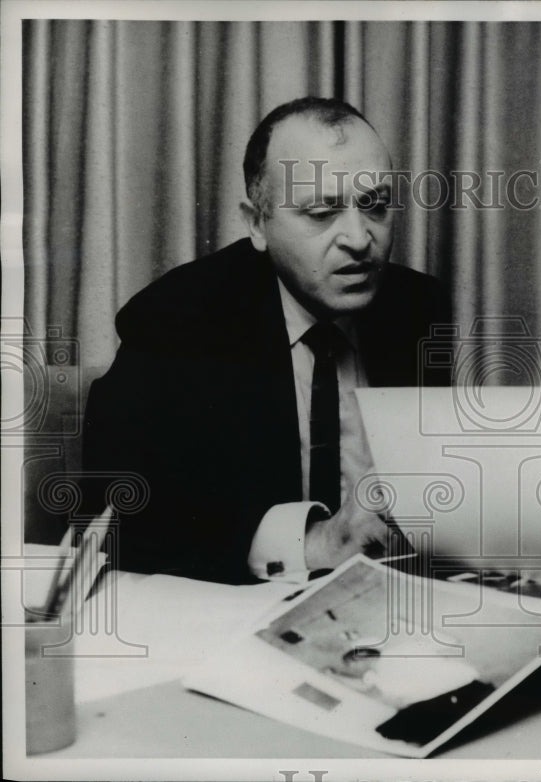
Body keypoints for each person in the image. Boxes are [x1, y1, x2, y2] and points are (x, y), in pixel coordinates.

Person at [83, 97, 451, 585]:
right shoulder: (177, 318)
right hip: (235, 619)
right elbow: (119, 521)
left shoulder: (416, 307)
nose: (360, 239)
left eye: (375, 206)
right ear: (257, 223)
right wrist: (316, 541)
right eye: (322, 212)